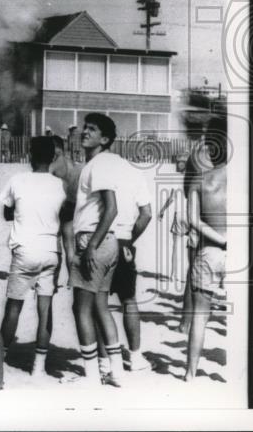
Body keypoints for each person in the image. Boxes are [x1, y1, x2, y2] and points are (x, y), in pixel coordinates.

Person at [0, 137, 67, 374]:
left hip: (25, 249)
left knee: (14, 307)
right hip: (51, 250)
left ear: (29, 155)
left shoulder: (17, 180)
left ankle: (1, 360)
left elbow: (7, 213)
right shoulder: (61, 185)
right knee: (45, 309)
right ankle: (39, 366)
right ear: (53, 157)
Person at [67, 113, 126, 386]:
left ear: (104, 139)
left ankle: (91, 375)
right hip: (107, 242)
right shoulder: (98, 164)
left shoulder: (99, 165)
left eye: (91, 130)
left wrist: (89, 245)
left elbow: (111, 209)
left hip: (94, 240)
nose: (84, 132)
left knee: (81, 308)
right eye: (84, 128)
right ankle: (115, 371)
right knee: (101, 306)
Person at [183, 117, 227, 382]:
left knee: (200, 316)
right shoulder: (248, 177)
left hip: (210, 249)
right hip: (242, 252)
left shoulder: (200, 180)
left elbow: (193, 220)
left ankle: (190, 374)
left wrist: (221, 241)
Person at [102, 148, 152, 373]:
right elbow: (147, 214)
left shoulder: (97, 171)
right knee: (128, 299)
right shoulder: (134, 173)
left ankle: (103, 358)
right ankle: (135, 356)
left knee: (98, 301)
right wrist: (130, 238)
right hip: (124, 241)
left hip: (101, 237)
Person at [49, 135, 80, 287]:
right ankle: (72, 279)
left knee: (55, 244)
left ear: (57, 148)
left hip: (58, 206)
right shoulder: (72, 163)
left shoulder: (55, 164)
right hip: (71, 205)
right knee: (70, 245)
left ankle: (52, 279)